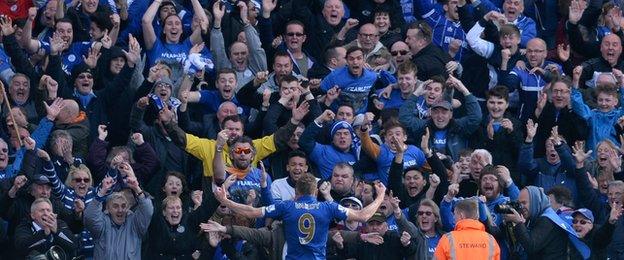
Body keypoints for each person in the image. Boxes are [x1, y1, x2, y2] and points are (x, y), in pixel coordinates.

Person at [212, 173, 388, 259]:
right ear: (316, 191)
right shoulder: (327, 206)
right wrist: (380, 196)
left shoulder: (287, 206)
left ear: (296, 191)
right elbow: (363, 216)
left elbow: (252, 212)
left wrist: (225, 201)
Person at [503, 186, 591, 259]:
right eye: (519, 203)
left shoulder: (547, 220)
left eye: (524, 203)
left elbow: (531, 246)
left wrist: (519, 224)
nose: (521, 207)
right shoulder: (538, 216)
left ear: (536, 201)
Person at [84, 174, 154, 260]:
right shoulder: (102, 223)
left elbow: (147, 210)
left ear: (128, 207)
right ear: (108, 209)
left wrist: (137, 188)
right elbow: (90, 217)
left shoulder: (135, 224)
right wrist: (102, 192)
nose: (120, 210)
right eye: (115, 206)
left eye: (123, 206)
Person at [434, 198, 500, 260]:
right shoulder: (491, 240)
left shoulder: (448, 239)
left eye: (454, 214)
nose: (453, 218)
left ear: (462, 215)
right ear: (476, 216)